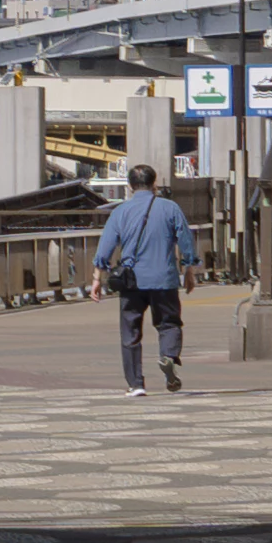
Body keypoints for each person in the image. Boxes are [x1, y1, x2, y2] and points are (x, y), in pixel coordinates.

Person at [94, 162, 195, 391]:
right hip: (164, 279)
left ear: (130, 187)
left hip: (131, 281)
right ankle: (168, 355)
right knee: (169, 323)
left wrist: (96, 279)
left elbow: (105, 248)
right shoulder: (170, 208)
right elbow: (186, 242)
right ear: (154, 184)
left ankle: (136, 384)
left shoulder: (120, 211)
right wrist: (189, 269)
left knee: (130, 331)